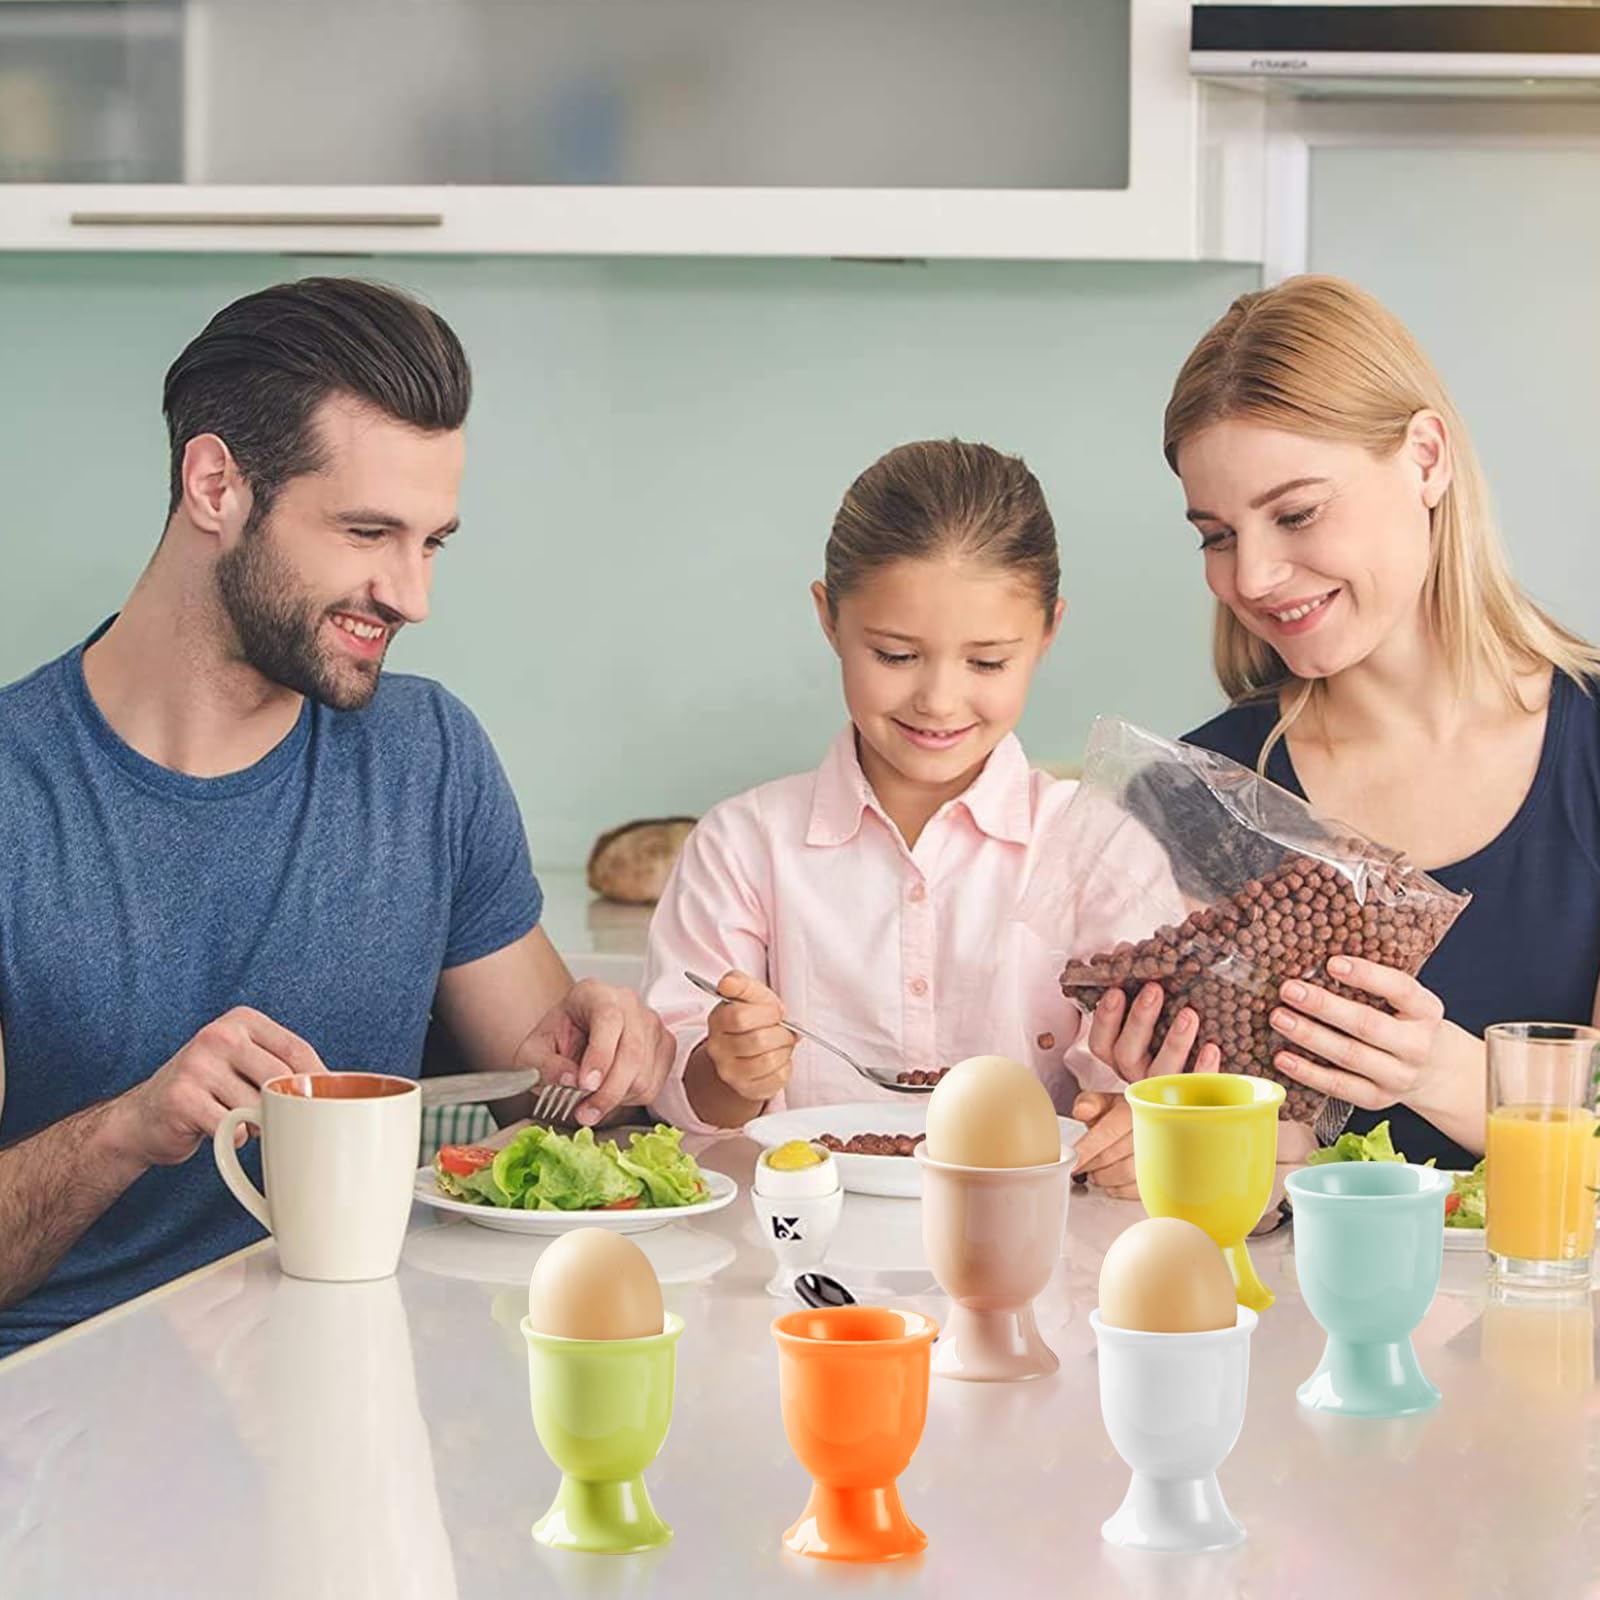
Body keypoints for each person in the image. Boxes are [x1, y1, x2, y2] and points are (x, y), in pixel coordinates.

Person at [0, 277, 672, 1355]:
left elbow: (571, 1133)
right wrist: (128, 1129)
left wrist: (609, 1068)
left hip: (356, 1391)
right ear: (216, 484)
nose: (411, 594)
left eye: (432, 542)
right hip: (57, 1418)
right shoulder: (16, 794)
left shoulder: (427, 758)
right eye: (369, 531)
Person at [1080, 273, 1600, 1176]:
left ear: (1426, 459)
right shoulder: (1188, 795)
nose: (1253, 577)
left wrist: (1439, 1071)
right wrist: (1186, 1125)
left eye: (1295, 513)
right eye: (1216, 535)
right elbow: (1257, 1180)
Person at [642, 438, 1204, 1139]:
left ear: (1048, 633)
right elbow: (678, 1085)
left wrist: (1135, 1120)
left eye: (988, 661)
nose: (939, 700)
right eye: (896, 656)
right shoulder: (743, 845)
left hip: (1038, 1240)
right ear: (829, 619)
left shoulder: (1096, 847)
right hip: (797, 1237)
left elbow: (1146, 1090)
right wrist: (728, 1069)